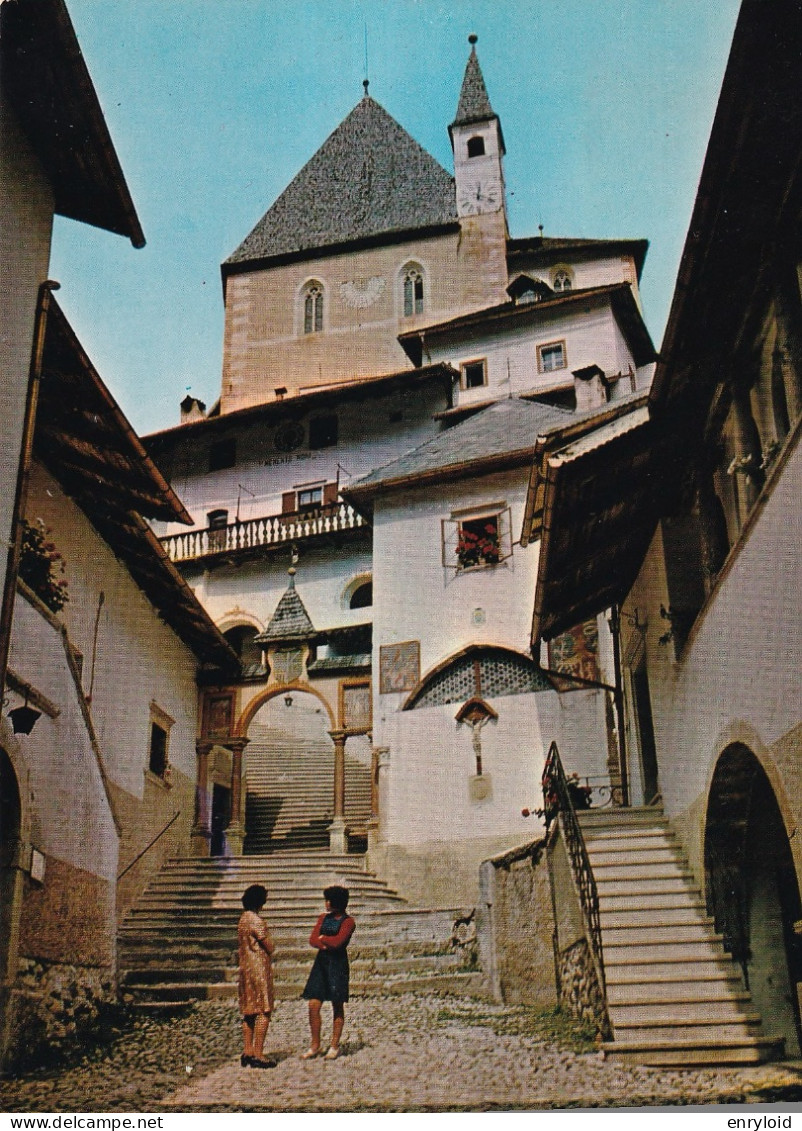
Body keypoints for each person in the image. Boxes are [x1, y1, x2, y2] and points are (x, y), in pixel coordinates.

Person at [300, 884, 355, 1060]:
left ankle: (334, 1045)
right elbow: (313, 939)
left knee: (337, 1005)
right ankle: (315, 1044)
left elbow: (339, 942)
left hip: (337, 966)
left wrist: (323, 939)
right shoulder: (323, 918)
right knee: (313, 1005)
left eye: (327, 900)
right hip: (322, 964)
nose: (325, 903)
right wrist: (325, 941)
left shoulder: (348, 922)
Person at [237, 883, 275, 1068]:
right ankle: (259, 1054)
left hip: (245, 968)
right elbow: (269, 946)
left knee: (249, 1010)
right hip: (259, 968)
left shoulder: (243, 919)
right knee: (264, 1010)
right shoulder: (258, 921)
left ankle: (247, 1050)